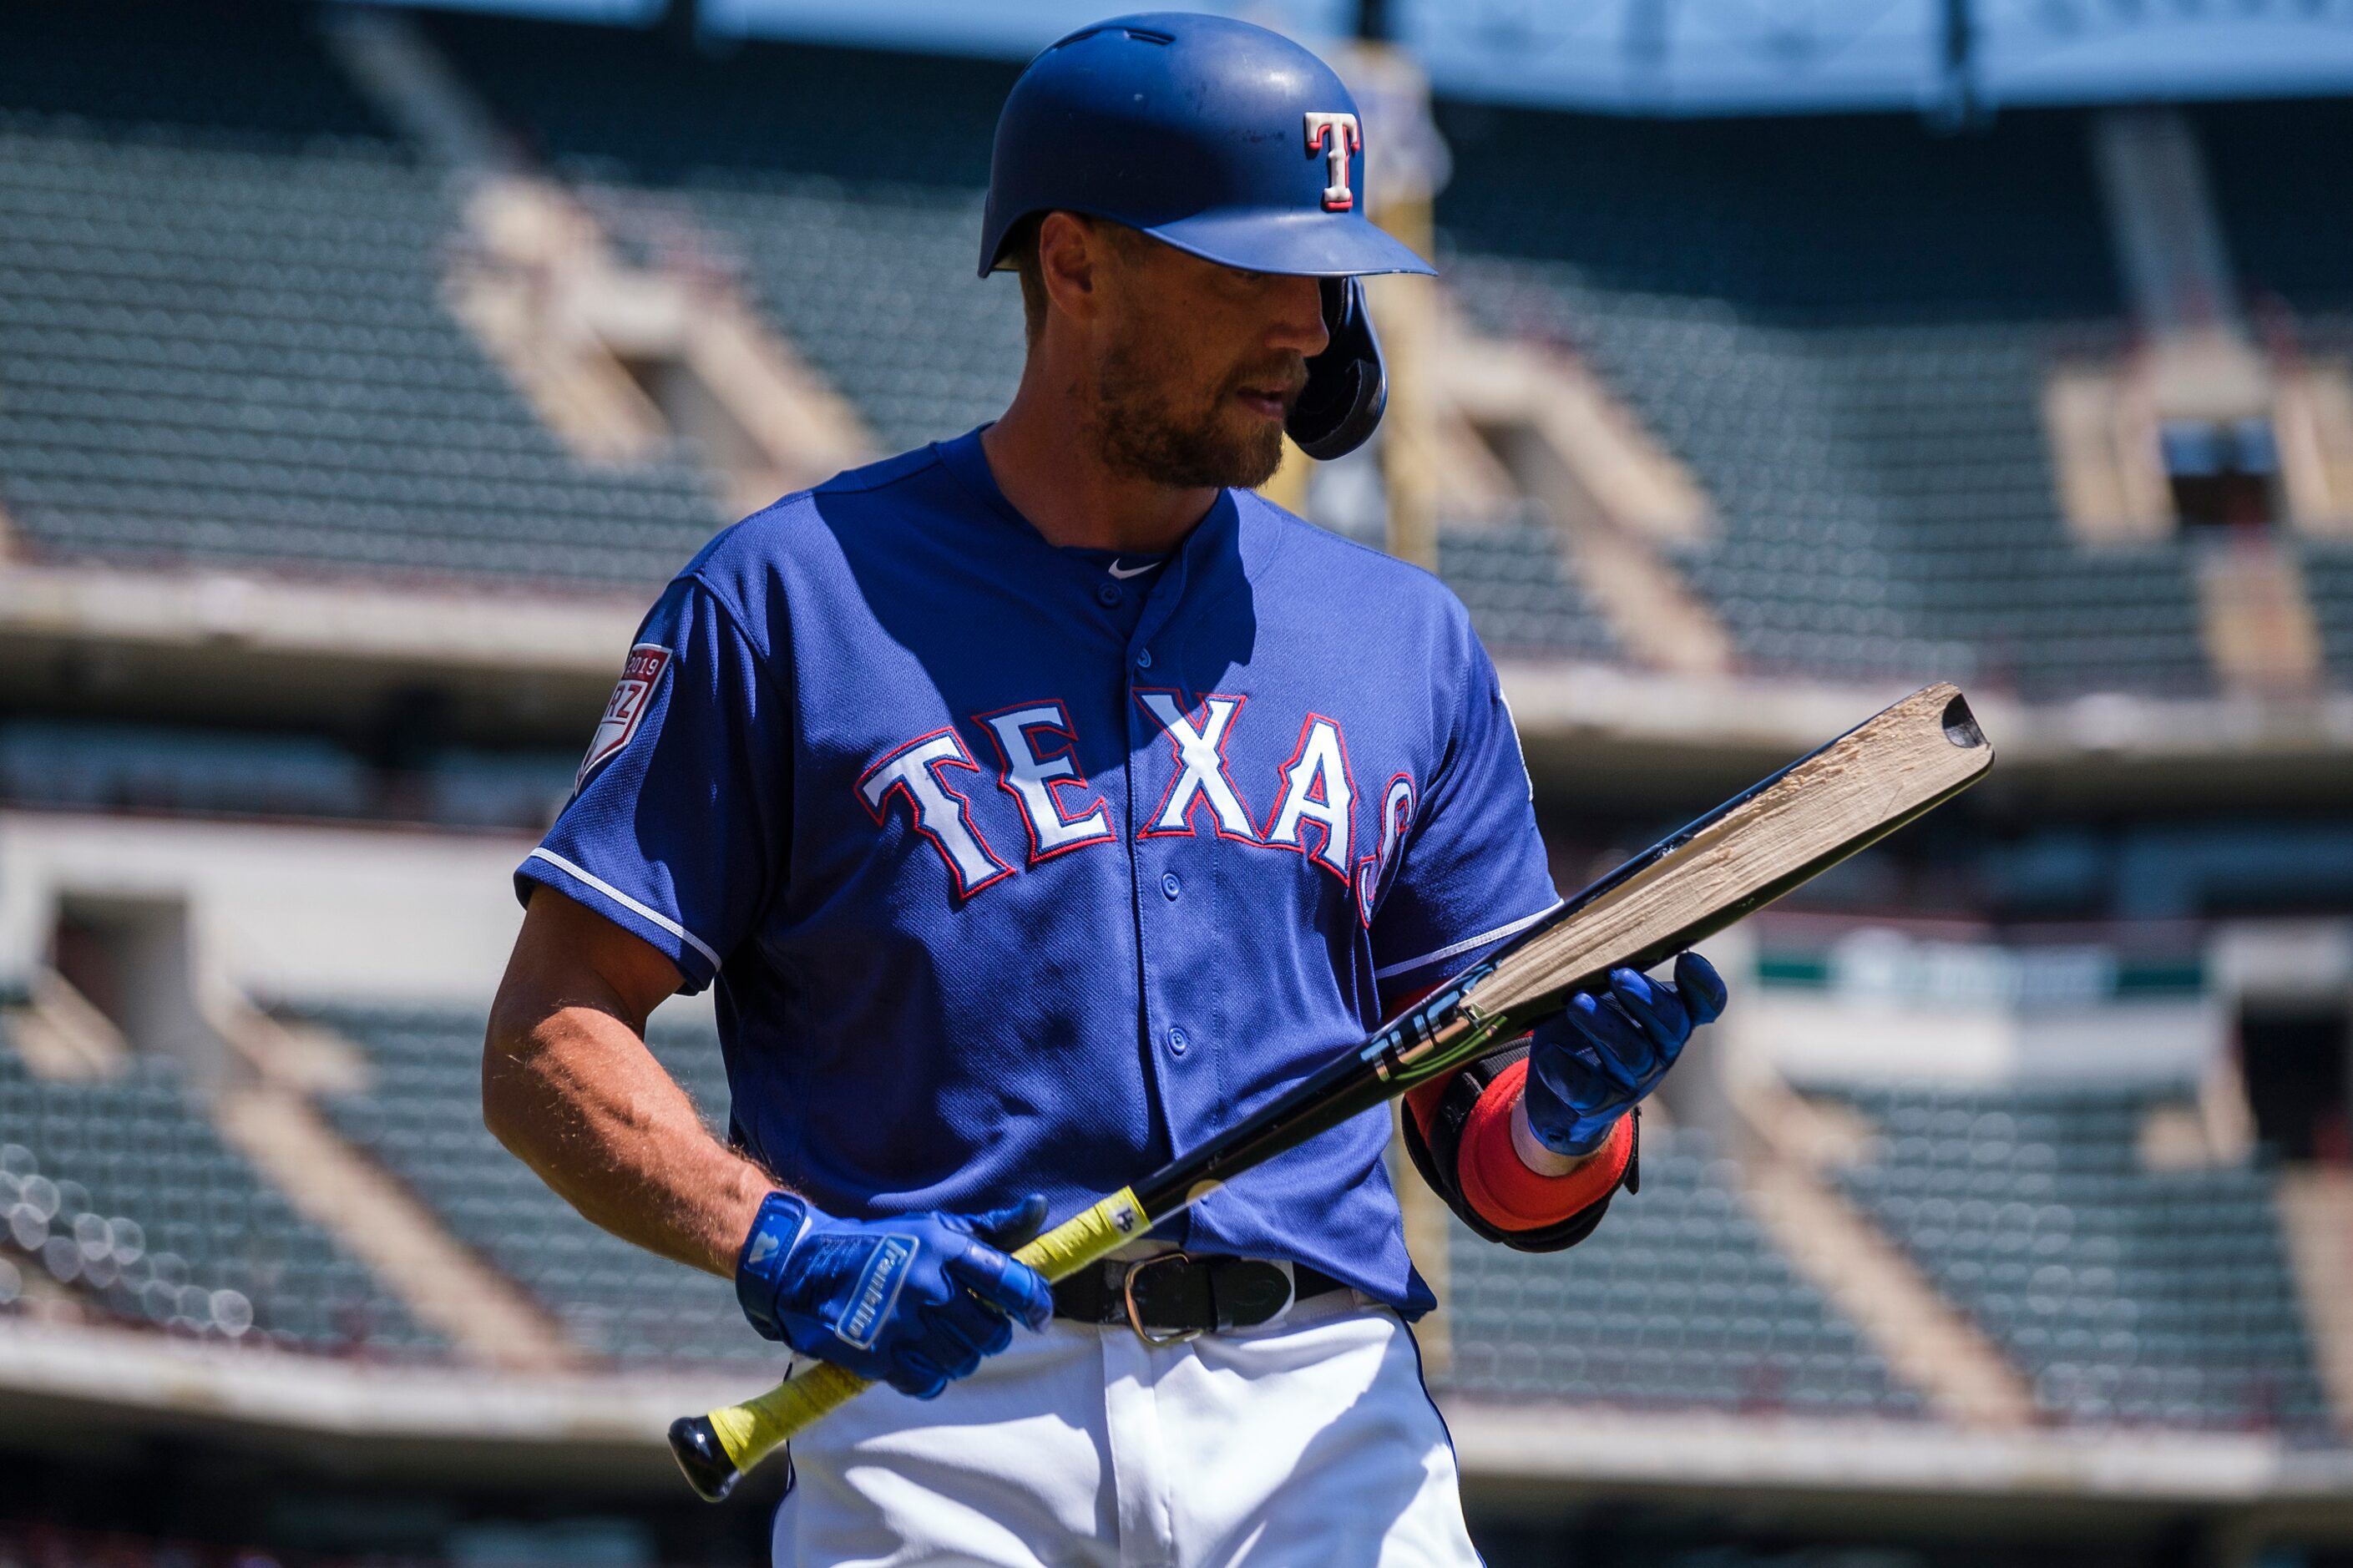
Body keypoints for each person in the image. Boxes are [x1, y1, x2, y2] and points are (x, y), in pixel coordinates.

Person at [483, 13, 1726, 1565]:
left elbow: (1494, 1166)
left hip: (1321, 1412)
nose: (1309, 328)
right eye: (1251, 272)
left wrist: (1557, 1119)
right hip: (941, 1425)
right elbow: (546, 1037)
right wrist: (779, 1242)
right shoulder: (786, 599)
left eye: (1328, 279)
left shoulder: (1404, 637)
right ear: (1072, 264)